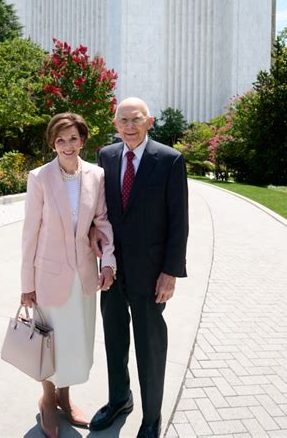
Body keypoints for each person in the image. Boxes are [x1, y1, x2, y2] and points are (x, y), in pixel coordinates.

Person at [89, 97, 189, 438]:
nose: (129, 126)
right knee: (114, 340)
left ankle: (151, 418)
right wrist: (92, 234)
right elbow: (99, 208)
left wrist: (171, 272)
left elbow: (179, 221)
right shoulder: (106, 155)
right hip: (112, 269)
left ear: (149, 121)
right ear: (115, 124)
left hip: (151, 273)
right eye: (123, 120)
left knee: (150, 346)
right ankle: (119, 399)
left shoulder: (170, 160)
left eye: (136, 119)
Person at [20, 112, 116, 438]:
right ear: (52, 143)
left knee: (76, 343)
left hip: (85, 276)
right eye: (60, 139)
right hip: (48, 277)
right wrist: (26, 285)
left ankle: (65, 398)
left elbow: (102, 223)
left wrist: (109, 263)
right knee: (50, 343)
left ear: (83, 140)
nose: (67, 145)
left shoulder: (97, 175)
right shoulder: (39, 177)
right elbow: (29, 234)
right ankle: (48, 399)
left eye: (73, 138)